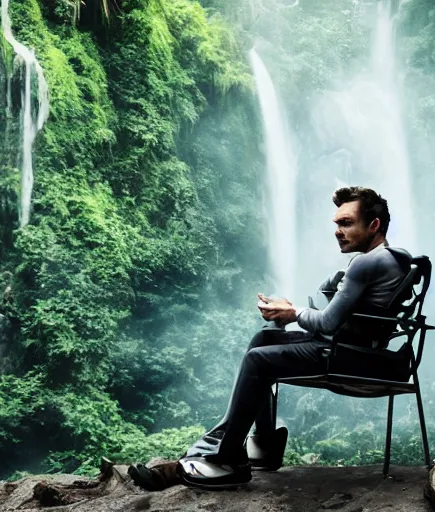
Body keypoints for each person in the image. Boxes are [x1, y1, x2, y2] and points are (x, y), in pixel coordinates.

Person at [129, 186, 413, 490]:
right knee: (264, 338)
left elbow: (328, 322)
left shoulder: (365, 263)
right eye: (336, 224)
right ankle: (262, 445)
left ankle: (226, 459)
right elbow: (334, 312)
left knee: (258, 360)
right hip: (357, 348)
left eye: (346, 223)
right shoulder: (395, 257)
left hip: (349, 355)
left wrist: (291, 312)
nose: (338, 231)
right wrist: (322, 292)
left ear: (374, 225)